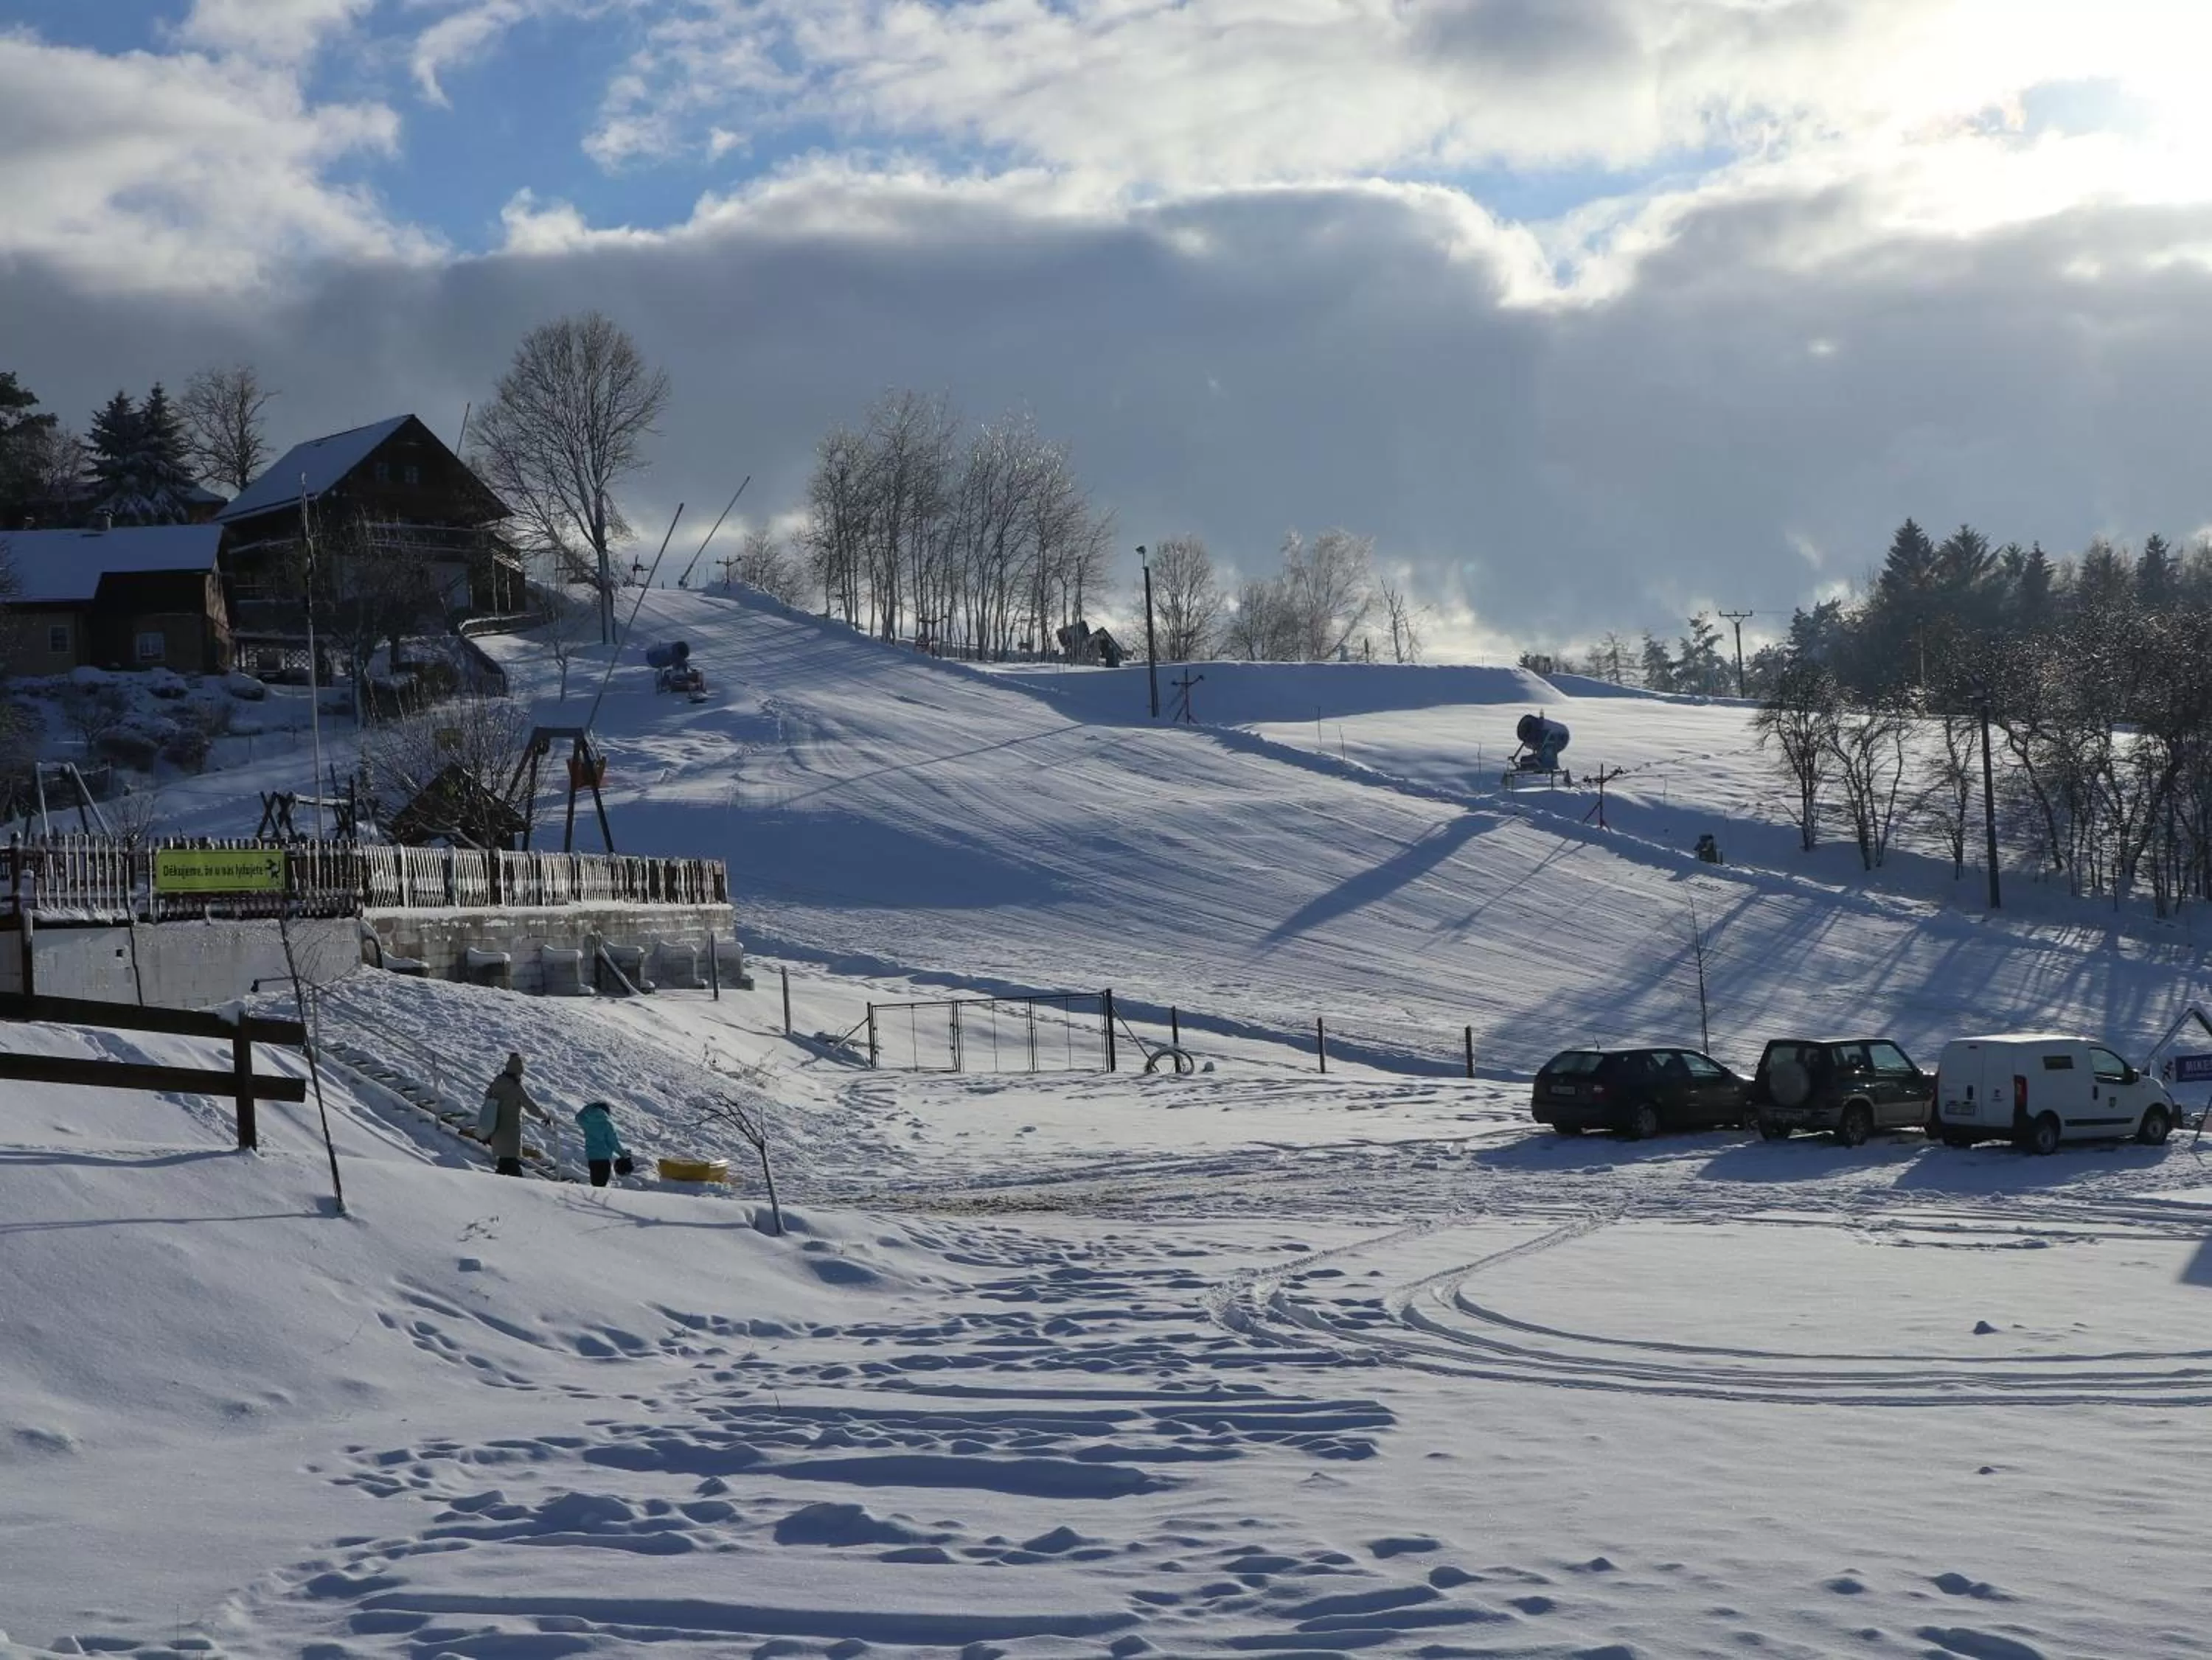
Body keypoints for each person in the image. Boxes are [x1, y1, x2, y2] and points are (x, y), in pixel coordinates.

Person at [482, 1052, 549, 1177]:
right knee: (512, 1168)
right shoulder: (515, 1087)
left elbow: (487, 1096)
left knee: (504, 1165)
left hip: (496, 1129)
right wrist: (545, 1116)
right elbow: (531, 1107)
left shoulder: (496, 1082)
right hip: (510, 1133)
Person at [575, 1100, 633, 1188]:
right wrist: (624, 1154)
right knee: (601, 1185)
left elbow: (578, 1117)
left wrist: (591, 1107)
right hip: (604, 1158)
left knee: (595, 1183)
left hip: (592, 1157)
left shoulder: (587, 1122)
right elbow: (613, 1143)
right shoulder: (607, 1124)